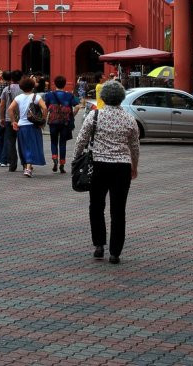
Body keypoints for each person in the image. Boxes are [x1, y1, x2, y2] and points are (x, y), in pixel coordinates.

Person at [72, 79, 139, 265]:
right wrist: (135, 165)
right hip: (122, 167)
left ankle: (99, 244)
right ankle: (115, 252)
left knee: (96, 205)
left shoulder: (95, 116)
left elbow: (81, 140)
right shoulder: (129, 118)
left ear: (103, 97)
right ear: (121, 98)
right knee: (118, 210)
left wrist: (76, 159)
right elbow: (135, 146)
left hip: (98, 166)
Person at [8, 76, 47, 177]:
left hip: (22, 125)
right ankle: (28, 168)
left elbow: (10, 109)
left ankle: (26, 166)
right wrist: (42, 120)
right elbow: (45, 108)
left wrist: (13, 122)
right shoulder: (36, 97)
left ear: (21, 87)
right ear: (33, 86)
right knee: (32, 146)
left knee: (23, 146)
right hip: (33, 125)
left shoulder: (18, 97)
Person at [44, 75, 80, 173]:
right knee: (63, 143)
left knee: (53, 141)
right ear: (64, 84)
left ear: (55, 83)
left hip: (53, 121)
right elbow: (77, 106)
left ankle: (54, 157)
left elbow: (45, 107)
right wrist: (72, 115)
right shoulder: (69, 95)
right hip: (65, 122)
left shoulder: (49, 95)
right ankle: (62, 164)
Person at [0, 69, 23, 171]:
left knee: (10, 142)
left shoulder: (6, 89)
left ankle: (12, 165)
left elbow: (2, 105)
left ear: (12, 78)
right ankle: (25, 163)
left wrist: (1, 117)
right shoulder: (24, 89)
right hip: (22, 119)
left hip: (9, 119)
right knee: (23, 142)